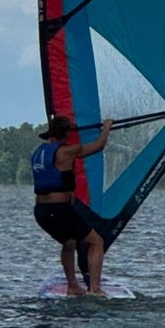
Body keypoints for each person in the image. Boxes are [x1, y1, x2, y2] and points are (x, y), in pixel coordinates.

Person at [32, 114, 113, 296]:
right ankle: (95, 288)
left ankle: (72, 285)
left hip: (41, 213)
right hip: (59, 211)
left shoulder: (38, 152)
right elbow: (98, 146)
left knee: (69, 242)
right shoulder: (68, 151)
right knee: (96, 241)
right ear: (67, 134)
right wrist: (107, 127)